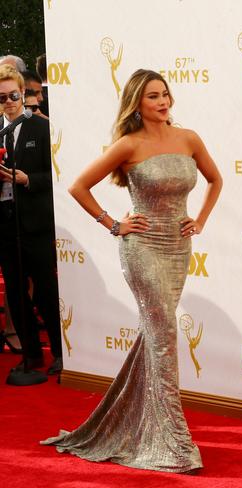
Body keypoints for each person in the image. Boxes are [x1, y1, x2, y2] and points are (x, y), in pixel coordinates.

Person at [41, 69, 222, 473]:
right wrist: (113, 223)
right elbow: (78, 186)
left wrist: (201, 219)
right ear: (137, 103)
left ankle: (136, 426)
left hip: (178, 247)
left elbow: (215, 179)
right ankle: (173, 440)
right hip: (141, 249)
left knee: (155, 334)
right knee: (164, 335)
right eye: (153, 96)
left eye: (165, 95)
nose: (163, 102)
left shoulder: (189, 138)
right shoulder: (128, 144)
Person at [0, 65, 62, 376]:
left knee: (47, 290)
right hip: (6, 226)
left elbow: (57, 176)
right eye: (2, 97)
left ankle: (60, 351)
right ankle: (32, 355)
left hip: (35, 224)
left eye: (13, 95)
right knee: (14, 291)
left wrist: (27, 179)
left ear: (24, 94)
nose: (9, 102)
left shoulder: (41, 129)